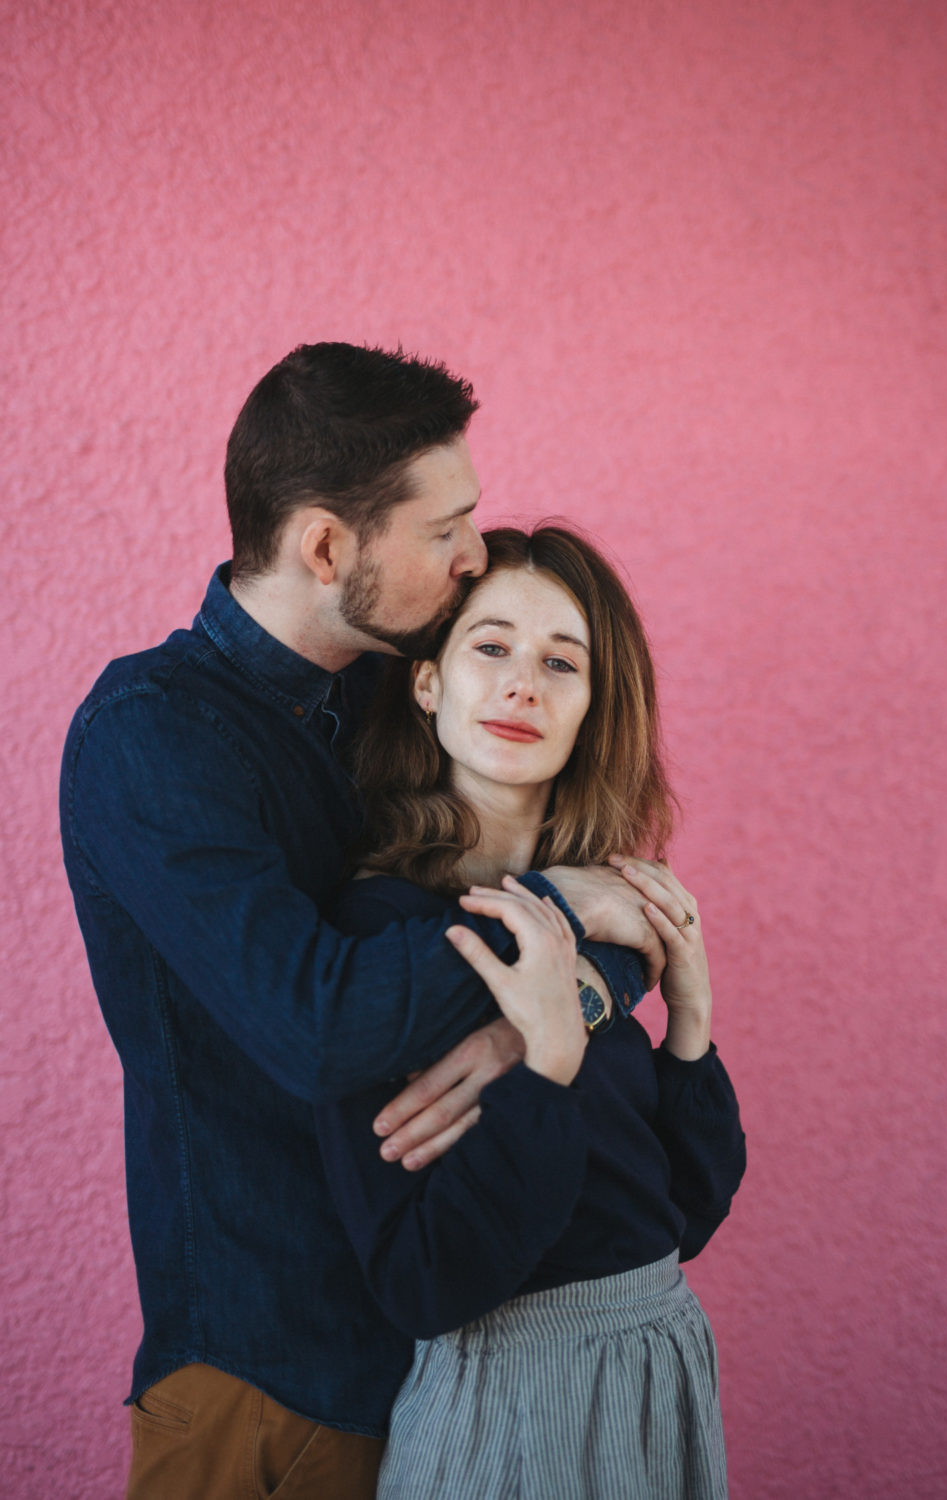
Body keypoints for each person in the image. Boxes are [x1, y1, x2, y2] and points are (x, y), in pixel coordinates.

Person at [59, 343, 678, 1499]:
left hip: (450, 1370)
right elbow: (318, 1024)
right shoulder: (151, 738)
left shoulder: (401, 687)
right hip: (267, 1383)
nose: (474, 555)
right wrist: (561, 912)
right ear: (329, 548)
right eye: (445, 528)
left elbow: (619, 905)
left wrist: (564, 1001)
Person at [315, 525, 747, 1499]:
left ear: (593, 709)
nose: (524, 684)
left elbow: (681, 1216)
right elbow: (420, 1284)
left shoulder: (607, 919)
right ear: (427, 683)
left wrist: (689, 1022)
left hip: (661, 1368)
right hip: (514, 1403)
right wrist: (544, 1064)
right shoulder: (385, 935)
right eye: (491, 647)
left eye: (562, 662)